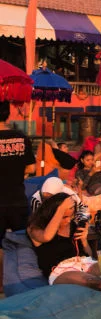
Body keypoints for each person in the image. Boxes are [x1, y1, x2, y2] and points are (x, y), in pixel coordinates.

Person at [0, 100, 36, 248]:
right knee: (23, 246)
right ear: (8, 115)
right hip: (18, 200)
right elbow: (31, 168)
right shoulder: (21, 137)